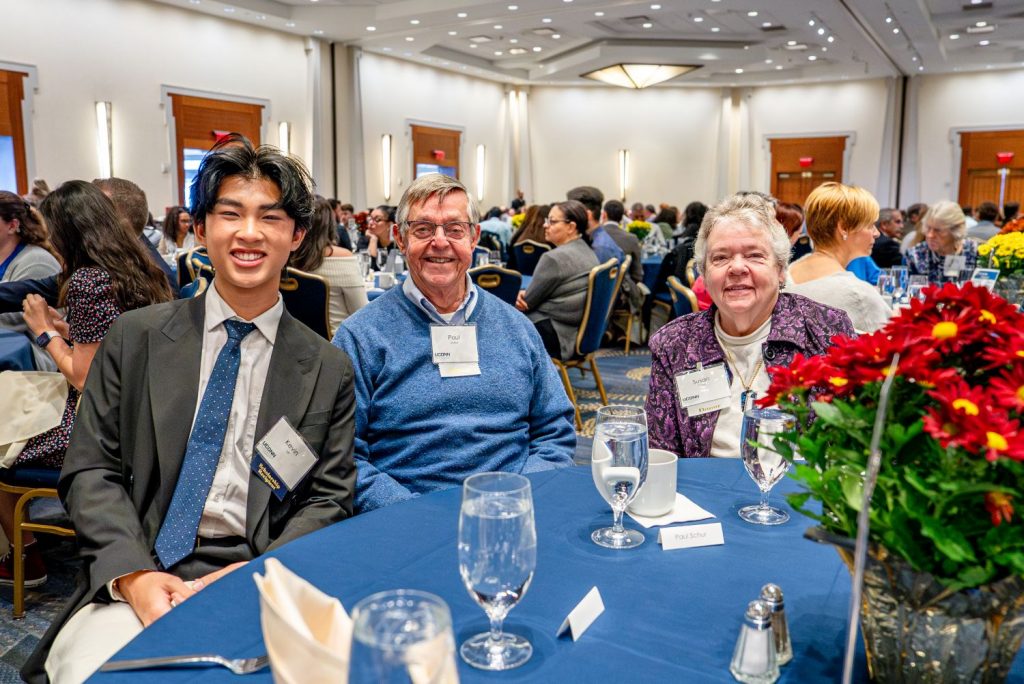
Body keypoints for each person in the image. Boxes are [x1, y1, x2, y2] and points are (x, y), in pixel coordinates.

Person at [24, 136, 357, 684]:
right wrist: (132, 574)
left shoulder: (325, 366)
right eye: (230, 214)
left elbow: (329, 497)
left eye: (269, 217)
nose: (249, 233)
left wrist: (260, 572)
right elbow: (90, 469)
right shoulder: (137, 338)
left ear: (296, 237)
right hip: (140, 562)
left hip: (261, 570)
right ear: (199, 229)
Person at [332, 173, 575, 513]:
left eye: (454, 229)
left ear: (474, 237)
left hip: (512, 511)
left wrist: (516, 499)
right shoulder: (361, 336)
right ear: (400, 239)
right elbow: (344, 455)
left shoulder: (517, 328)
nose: (440, 241)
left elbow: (555, 432)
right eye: (423, 229)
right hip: (407, 520)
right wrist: (413, 514)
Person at [3, 181, 173, 590]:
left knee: (4, 431)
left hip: (99, 426)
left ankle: (24, 553)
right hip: (146, 411)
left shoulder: (88, 281)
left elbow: (87, 378)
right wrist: (67, 330)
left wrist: (44, 331)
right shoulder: (142, 267)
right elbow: (115, 347)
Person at [645, 192, 854, 459]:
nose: (737, 268)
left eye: (754, 255)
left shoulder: (826, 331)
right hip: (704, 493)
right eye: (720, 258)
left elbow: (853, 445)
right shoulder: (675, 344)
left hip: (800, 493)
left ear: (780, 270)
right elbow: (661, 455)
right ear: (705, 275)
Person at [785, 183, 890, 333]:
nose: (876, 233)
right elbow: (894, 346)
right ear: (844, 228)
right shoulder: (858, 295)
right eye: (870, 225)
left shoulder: (787, 273)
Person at [515, 200, 600, 360]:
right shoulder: (587, 250)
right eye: (547, 220)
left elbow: (526, 304)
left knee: (498, 322)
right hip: (577, 333)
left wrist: (519, 296)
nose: (545, 225)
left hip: (556, 335)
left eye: (552, 221)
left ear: (571, 227)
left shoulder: (553, 258)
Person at [289, 196, 367, 334]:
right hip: (337, 345)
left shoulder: (285, 260)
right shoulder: (343, 258)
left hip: (297, 342)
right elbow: (362, 313)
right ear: (329, 223)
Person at [905, 200, 980, 284]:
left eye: (938, 230)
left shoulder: (975, 252)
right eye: (928, 228)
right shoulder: (916, 255)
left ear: (955, 231)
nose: (930, 235)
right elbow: (911, 292)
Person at [566, 186, 623, 265]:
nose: (569, 220)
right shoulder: (597, 238)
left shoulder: (599, 248)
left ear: (587, 215)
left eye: (572, 214)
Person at [600, 200, 643, 285]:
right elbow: (637, 274)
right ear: (622, 217)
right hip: (622, 289)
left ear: (604, 214)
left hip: (597, 289)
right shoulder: (631, 238)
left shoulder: (594, 236)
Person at [506, 204, 551, 272]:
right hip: (545, 280)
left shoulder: (517, 239)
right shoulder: (549, 241)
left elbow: (510, 266)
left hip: (520, 279)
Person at [366, 204, 398, 270]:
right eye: (370, 219)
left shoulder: (398, 244)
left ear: (389, 224)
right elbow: (368, 268)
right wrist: (373, 239)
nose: (371, 223)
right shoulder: (365, 239)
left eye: (377, 219)